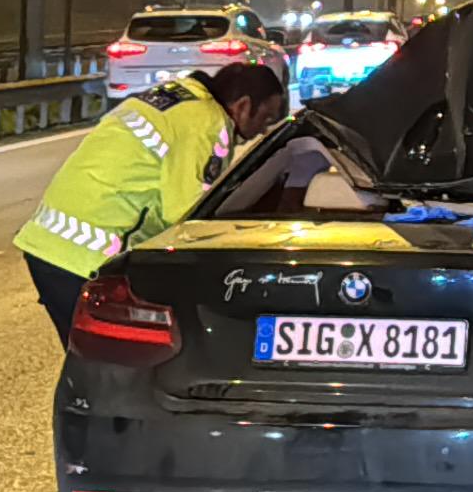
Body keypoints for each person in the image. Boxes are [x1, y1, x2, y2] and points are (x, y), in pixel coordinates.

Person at [18, 60, 288, 337]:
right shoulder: (207, 122)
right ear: (243, 106)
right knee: (116, 366)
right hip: (85, 257)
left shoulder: (175, 97)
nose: (262, 131)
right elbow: (187, 216)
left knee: (94, 362)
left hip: (49, 243)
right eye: (265, 119)